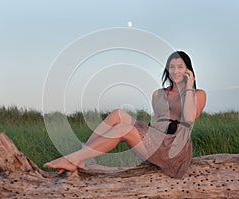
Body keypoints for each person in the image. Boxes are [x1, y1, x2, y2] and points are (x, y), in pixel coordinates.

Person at [43, 51, 206, 179]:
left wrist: (189, 86)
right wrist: (144, 134)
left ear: (188, 70)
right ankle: (84, 158)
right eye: (172, 67)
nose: (175, 71)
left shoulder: (197, 94)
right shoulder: (158, 94)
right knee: (118, 115)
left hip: (173, 149)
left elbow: (189, 119)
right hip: (155, 139)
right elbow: (159, 123)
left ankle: (72, 159)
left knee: (124, 128)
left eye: (180, 67)